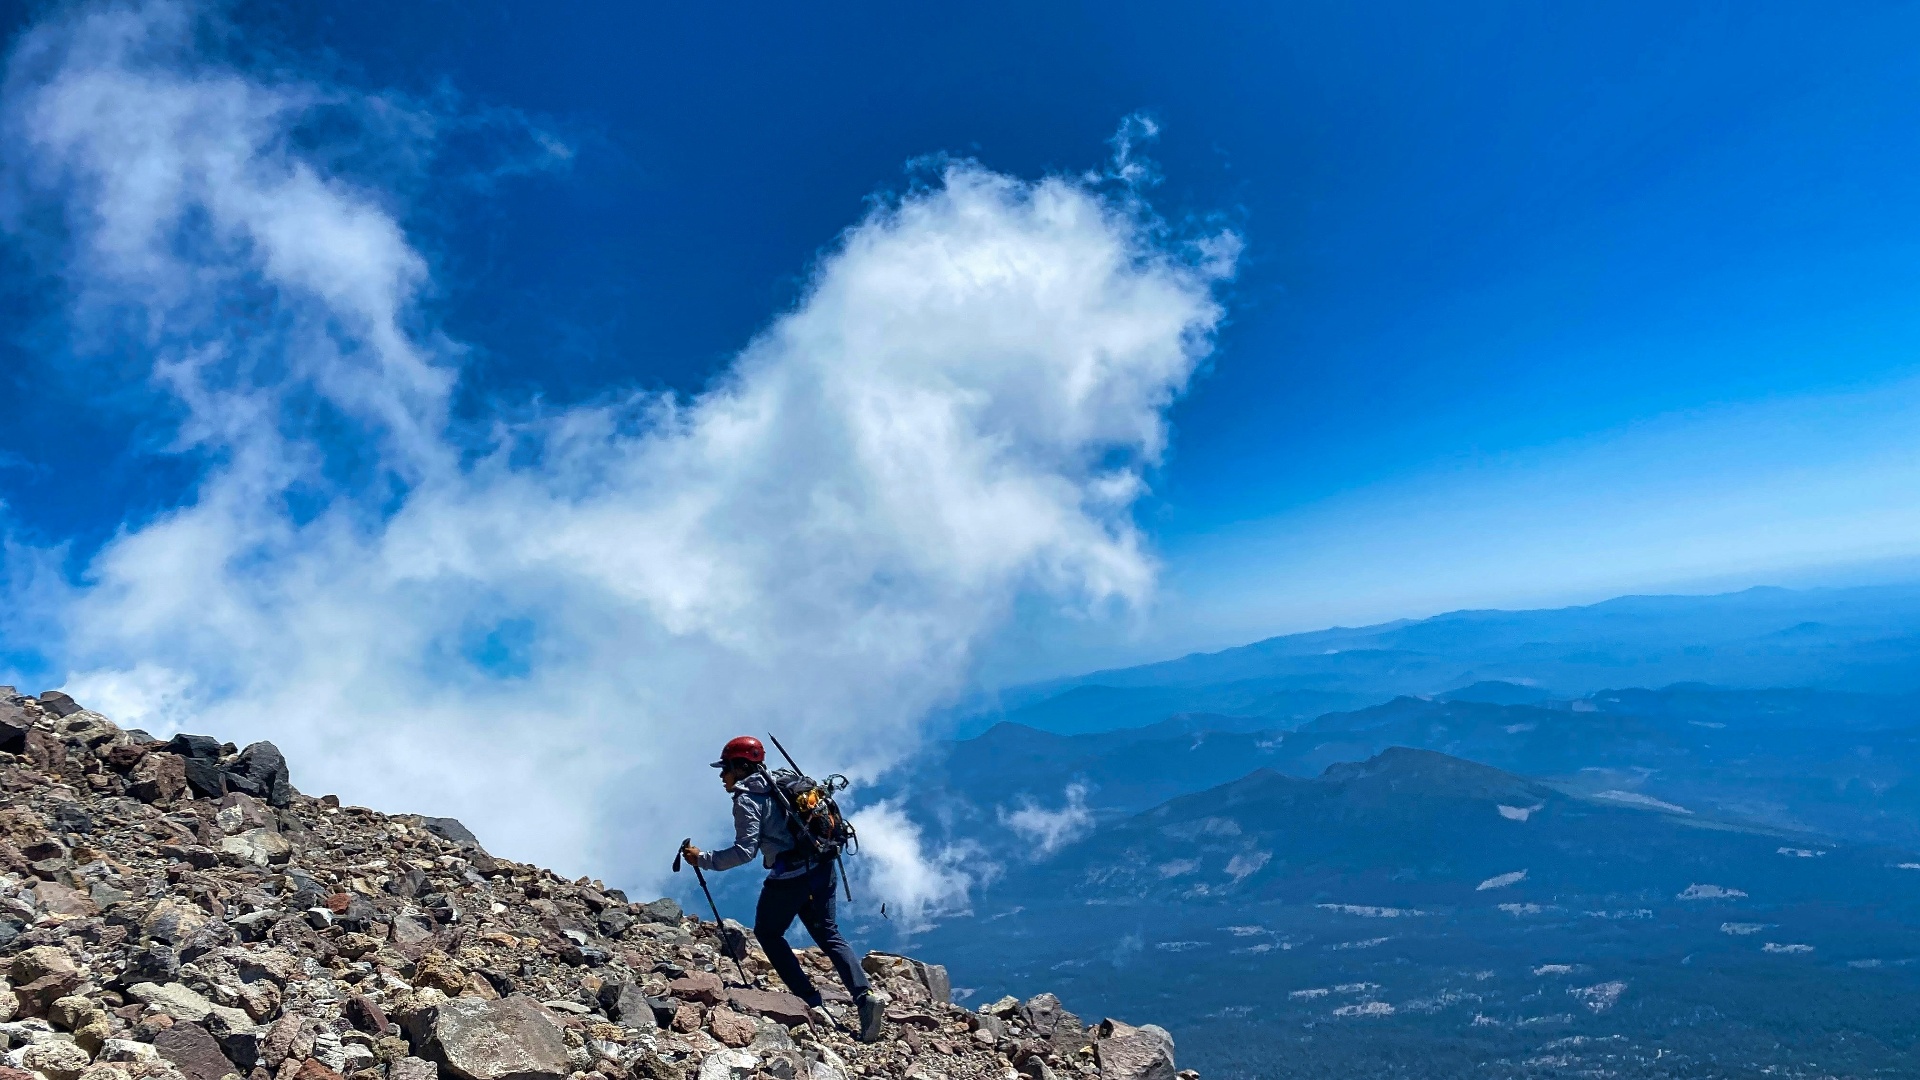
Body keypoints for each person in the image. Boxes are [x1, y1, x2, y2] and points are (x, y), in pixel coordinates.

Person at [680, 735, 885, 1042]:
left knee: (768, 933)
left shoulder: (747, 800)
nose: (722, 775)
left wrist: (703, 859)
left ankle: (810, 1000)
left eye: (726, 768)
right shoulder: (784, 781)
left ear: (741, 767)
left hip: (790, 878)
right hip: (822, 865)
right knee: (828, 933)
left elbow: (744, 852)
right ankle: (863, 996)